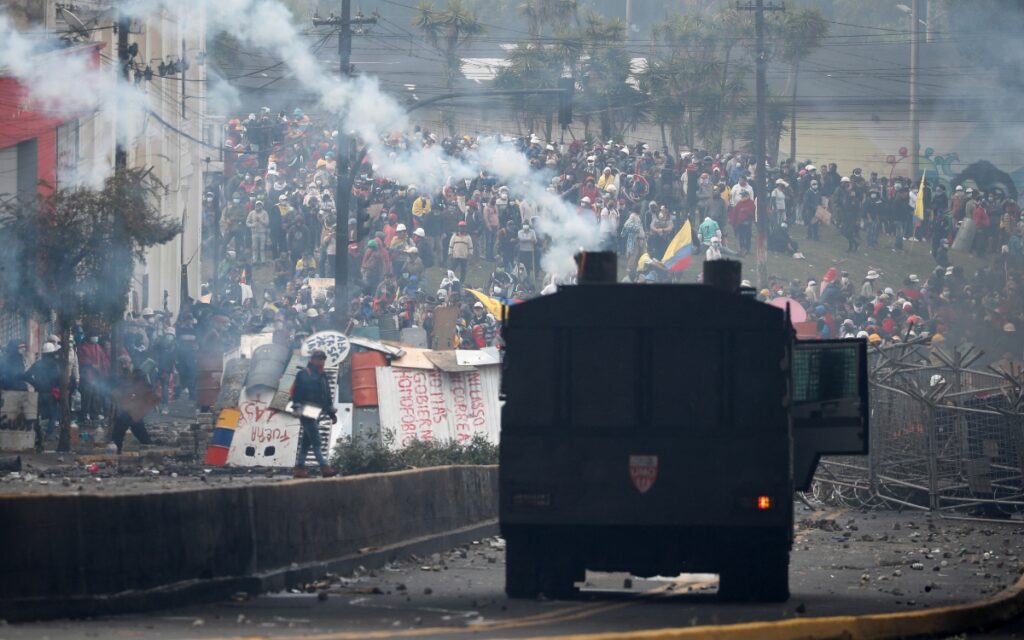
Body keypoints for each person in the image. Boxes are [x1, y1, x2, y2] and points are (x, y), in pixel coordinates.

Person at [289, 350, 337, 478]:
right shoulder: (303, 374)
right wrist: (297, 407)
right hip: (306, 410)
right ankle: (324, 467)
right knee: (316, 440)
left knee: (306, 442)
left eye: (323, 359)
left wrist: (331, 414)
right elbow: (297, 392)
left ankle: (299, 469)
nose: (321, 361)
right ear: (312, 359)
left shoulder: (323, 375)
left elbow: (327, 396)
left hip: (317, 411)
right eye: (319, 359)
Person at [111, 355, 156, 454]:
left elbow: (148, 389)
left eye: (124, 364)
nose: (123, 367)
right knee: (133, 426)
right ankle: (147, 444)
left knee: (126, 426)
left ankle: (147, 445)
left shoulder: (139, 374)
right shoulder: (123, 375)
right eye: (122, 365)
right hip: (128, 406)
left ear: (129, 363)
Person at [246, 200, 270, 264]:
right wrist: (252, 225)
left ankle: (263, 260)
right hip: (254, 233)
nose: (258, 206)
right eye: (257, 205)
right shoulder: (251, 213)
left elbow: (267, 223)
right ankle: (254, 260)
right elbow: (247, 223)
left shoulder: (265, 213)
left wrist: (260, 220)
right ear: (255, 205)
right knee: (254, 247)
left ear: (262, 206)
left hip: (262, 233)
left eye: (259, 205)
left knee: (262, 247)